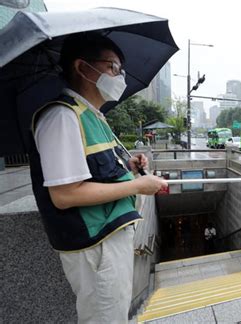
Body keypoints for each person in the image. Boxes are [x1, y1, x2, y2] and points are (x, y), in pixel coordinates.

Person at [29, 32, 168, 323]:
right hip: (95, 245)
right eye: (113, 67)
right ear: (82, 67)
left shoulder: (93, 115)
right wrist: (139, 184)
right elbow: (65, 195)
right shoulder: (63, 116)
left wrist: (128, 166)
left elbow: (95, 172)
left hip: (107, 237)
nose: (120, 77)